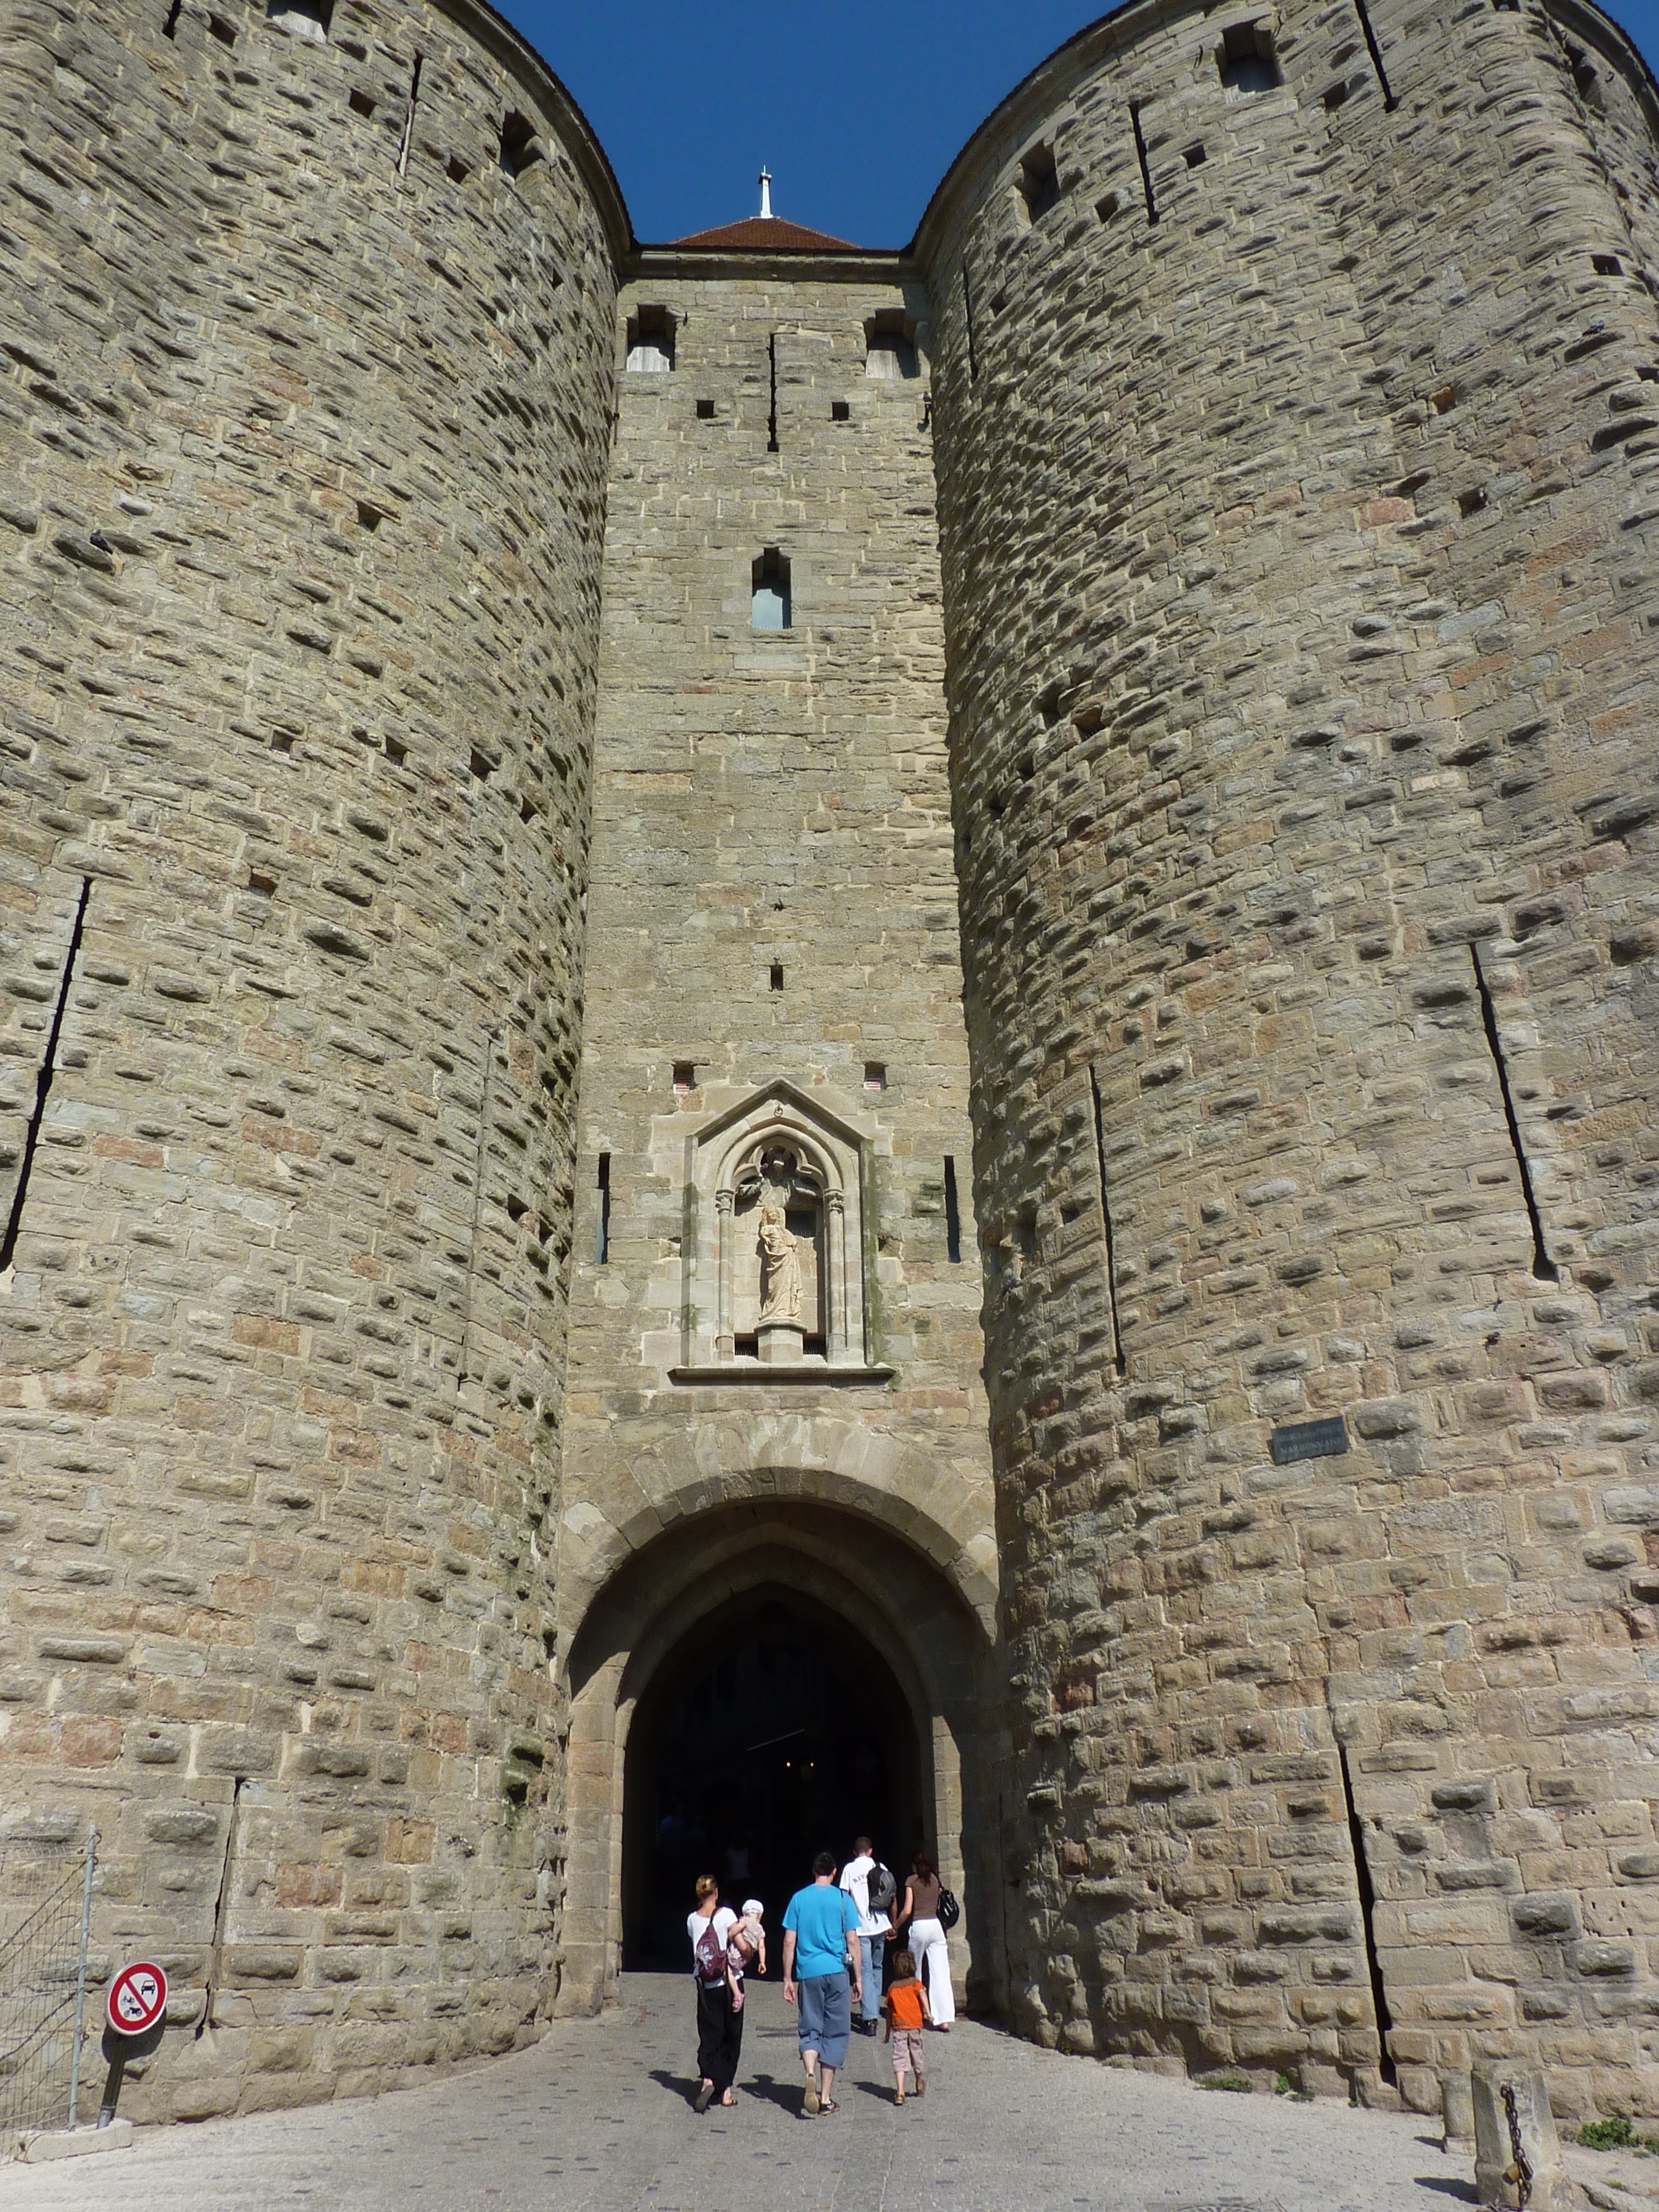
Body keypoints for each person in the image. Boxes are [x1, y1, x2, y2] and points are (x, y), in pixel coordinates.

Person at [781, 1848, 862, 2115]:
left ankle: (809, 2073)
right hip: (837, 1971)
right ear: (835, 1872)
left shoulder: (798, 1899)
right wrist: (858, 1978)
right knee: (836, 2032)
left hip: (809, 1973)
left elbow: (789, 1940)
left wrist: (787, 1977)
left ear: (814, 1872)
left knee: (810, 2028)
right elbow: (852, 1941)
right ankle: (825, 2097)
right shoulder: (843, 1899)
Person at [687, 1874, 740, 2112]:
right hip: (728, 1984)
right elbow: (742, 1944)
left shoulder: (691, 1920)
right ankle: (726, 2091)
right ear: (716, 1892)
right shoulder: (727, 1915)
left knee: (710, 2035)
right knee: (731, 2036)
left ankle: (708, 2079)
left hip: (705, 1986)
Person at [893, 1851, 954, 2031]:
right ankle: (943, 2019)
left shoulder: (912, 1881)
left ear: (914, 1866)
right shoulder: (935, 1880)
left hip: (919, 1926)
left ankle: (916, 2012)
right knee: (940, 1974)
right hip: (936, 1926)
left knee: (914, 1972)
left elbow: (907, 1910)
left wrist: (895, 1926)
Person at [839, 1835, 893, 2036]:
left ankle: (870, 2017)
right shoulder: (881, 1866)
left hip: (860, 1928)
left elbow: (844, 1898)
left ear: (855, 1852)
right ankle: (874, 2007)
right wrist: (893, 1923)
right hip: (881, 1924)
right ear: (870, 1851)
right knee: (878, 1967)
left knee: (865, 1971)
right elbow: (891, 1893)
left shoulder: (849, 1870)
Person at [882, 1947, 932, 2102]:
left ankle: (900, 2091)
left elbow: (889, 2013)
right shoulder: (916, 1984)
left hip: (899, 2028)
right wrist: (928, 2012)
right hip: (915, 2026)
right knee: (916, 2054)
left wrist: (887, 2033)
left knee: (899, 2057)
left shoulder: (892, 1988)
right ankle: (918, 2082)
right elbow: (923, 1994)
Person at [725, 1897, 766, 2011]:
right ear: (760, 1916)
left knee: (728, 1972)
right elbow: (762, 1947)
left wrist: (732, 1934)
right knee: (734, 1971)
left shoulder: (744, 1921)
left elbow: (734, 1931)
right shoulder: (760, 1929)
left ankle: (737, 1995)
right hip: (745, 1959)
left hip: (735, 1954)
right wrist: (762, 1962)